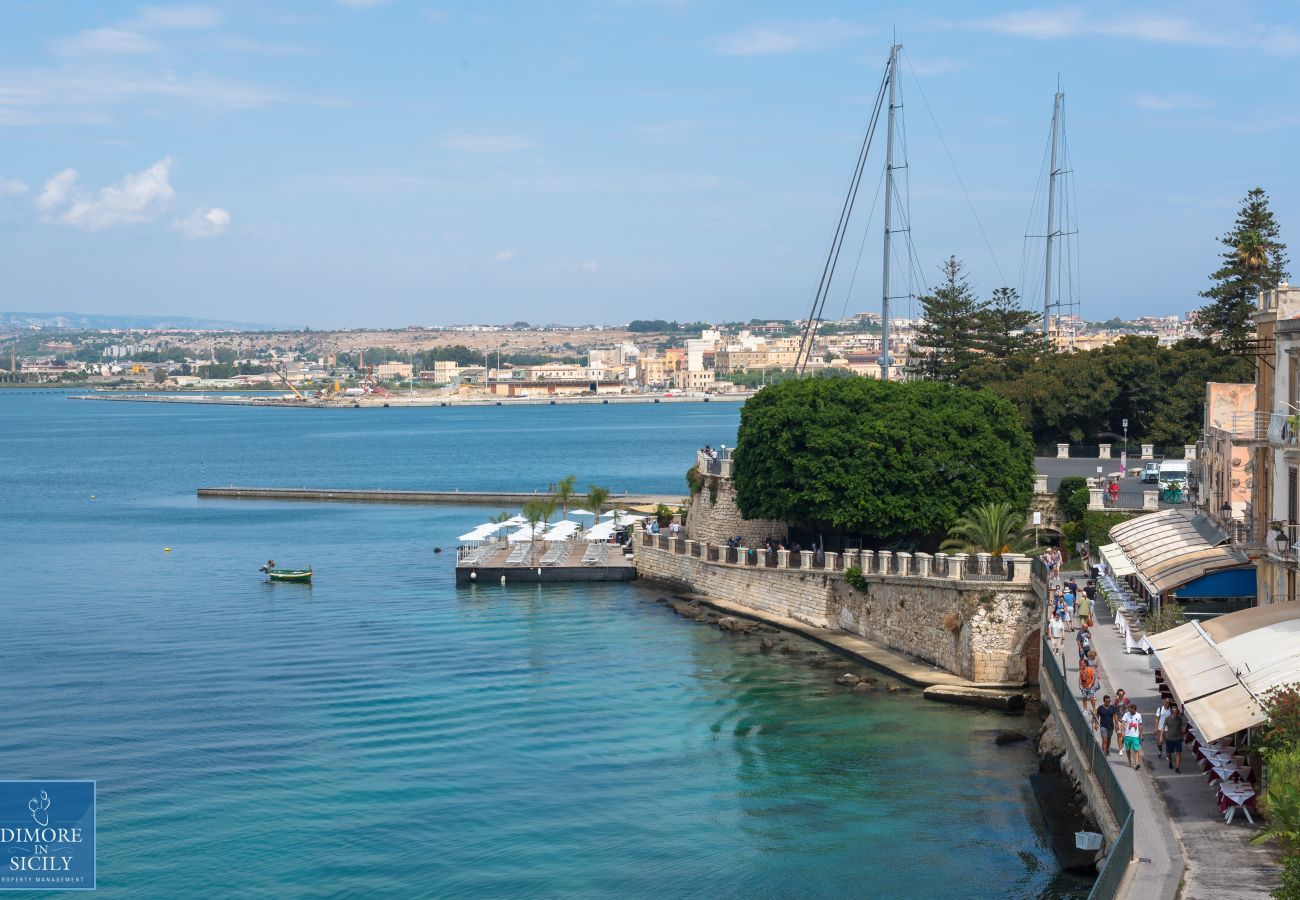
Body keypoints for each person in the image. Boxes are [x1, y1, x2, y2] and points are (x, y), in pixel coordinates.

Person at [1164, 705, 1186, 773]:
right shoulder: (1167, 719)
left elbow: (1181, 728)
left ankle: (1177, 768)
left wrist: (1182, 736)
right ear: (1171, 713)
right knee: (1168, 753)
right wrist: (1161, 736)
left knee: (1178, 753)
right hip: (1169, 738)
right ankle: (1170, 762)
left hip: (1178, 739)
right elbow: (1163, 727)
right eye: (1174, 713)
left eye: (1177, 713)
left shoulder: (1180, 719)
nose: (1176, 714)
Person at [1121, 703, 1143, 770]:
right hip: (1127, 735)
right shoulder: (1126, 714)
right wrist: (1122, 731)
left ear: (1135, 709)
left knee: (1136, 749)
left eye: (1131, 709)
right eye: (1129, 709)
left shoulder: (1139, 715)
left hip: (1135, 736)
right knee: (1128, 749)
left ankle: (1137, 763)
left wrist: (1141, 734)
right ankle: (1129, 761)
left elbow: (1140, 725)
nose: (1130, 711)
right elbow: (1123, 723)